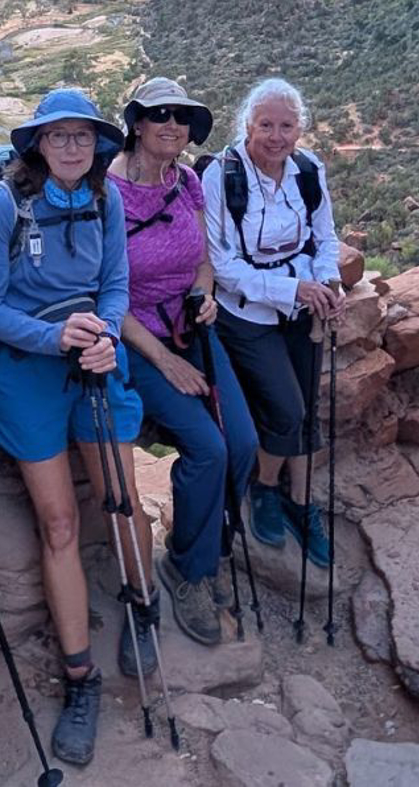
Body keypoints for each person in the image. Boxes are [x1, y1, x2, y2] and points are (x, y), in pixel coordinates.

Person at [0, 88, 148, 769]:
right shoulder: (4, 204)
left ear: (97, 144)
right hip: (30, 368)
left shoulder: (105, 201)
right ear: (37, 142)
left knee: (123, 495)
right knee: (61, 523)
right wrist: (55, 338)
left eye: (83, 135)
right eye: (58, 134)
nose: (71, 145)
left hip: (95, 359)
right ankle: (81, 677)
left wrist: (101, 331)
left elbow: (114, 285)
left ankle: (142, 608)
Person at [109, 78, 258, 647]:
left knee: (241, 444)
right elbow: (107, 294)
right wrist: (167, 364)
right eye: (159, 115)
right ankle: (189, 570)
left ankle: (205, 542)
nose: (173, 125)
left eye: (182, 117)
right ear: (137, 124)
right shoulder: (108, 193)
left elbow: (202, 261)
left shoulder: (187, 180)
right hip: (137, 337)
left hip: (190, 324)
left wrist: (205, 295)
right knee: (208, 447)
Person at [202, 77, 346, 570]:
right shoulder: (222, 176)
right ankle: (266, 490)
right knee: (285, 407)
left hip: (303, 305)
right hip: (247, 313)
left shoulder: (308, 170)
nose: (276, 136)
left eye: (286, 126)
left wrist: (328, 282)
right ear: (247, 124)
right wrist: (292, 289)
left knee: (306, 410)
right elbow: (221, 265)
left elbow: (325, 237)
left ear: (299, 128)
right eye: (266, 125)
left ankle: (301, 504)